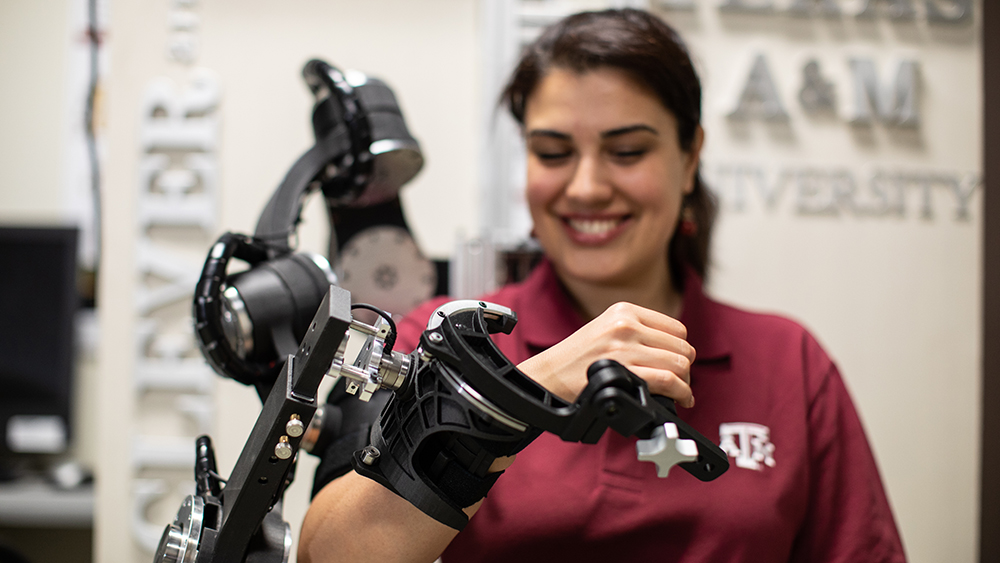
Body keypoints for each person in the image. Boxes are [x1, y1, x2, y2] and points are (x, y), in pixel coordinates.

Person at [299, 8, 906, 563]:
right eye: (554, 152)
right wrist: (512, 399)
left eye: (626, 151)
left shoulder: (789, 364)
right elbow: (327, 555)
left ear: (690, 156)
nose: (586, 187)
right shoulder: (439, 346)